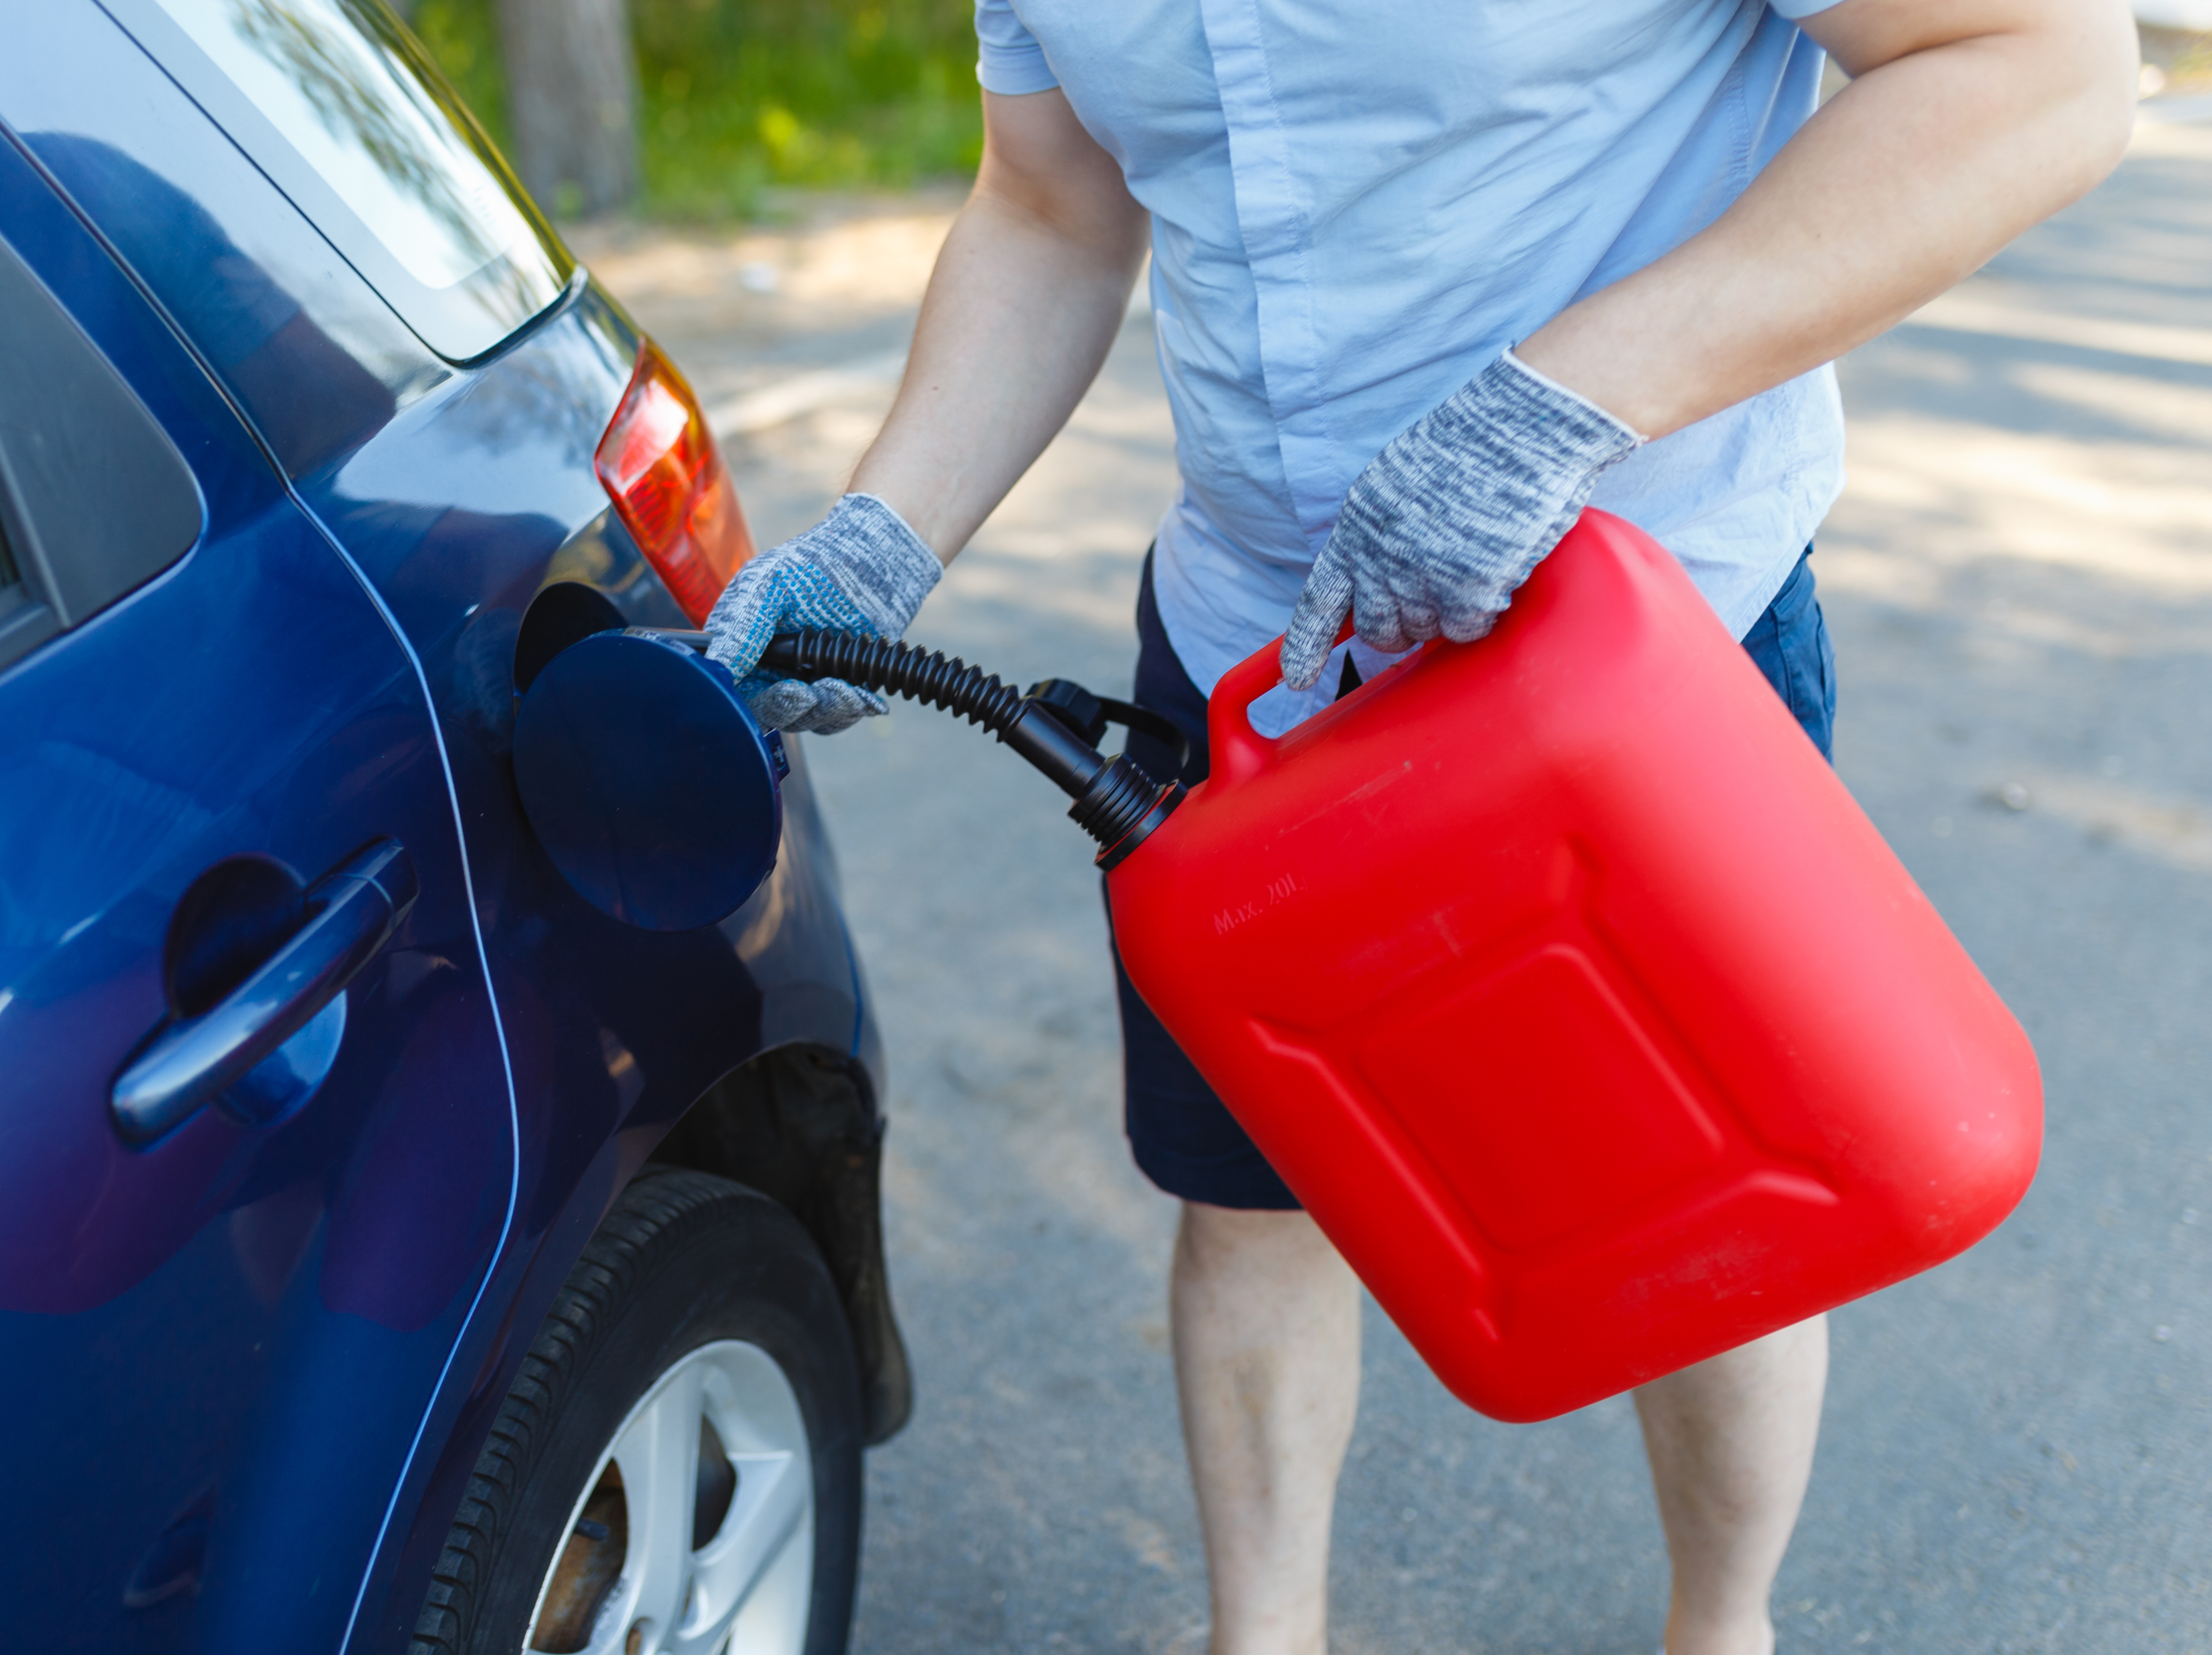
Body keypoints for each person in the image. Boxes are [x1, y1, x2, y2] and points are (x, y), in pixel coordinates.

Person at [701, 2, 2137, 1651]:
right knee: (1254, 1197)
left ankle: (1722, 1627)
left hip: (1634, 645)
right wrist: (890, 530)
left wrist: (1564, 402)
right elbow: (1050, 204)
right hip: (1260, 645)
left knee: (1717, 1197)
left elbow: (2040, 67)